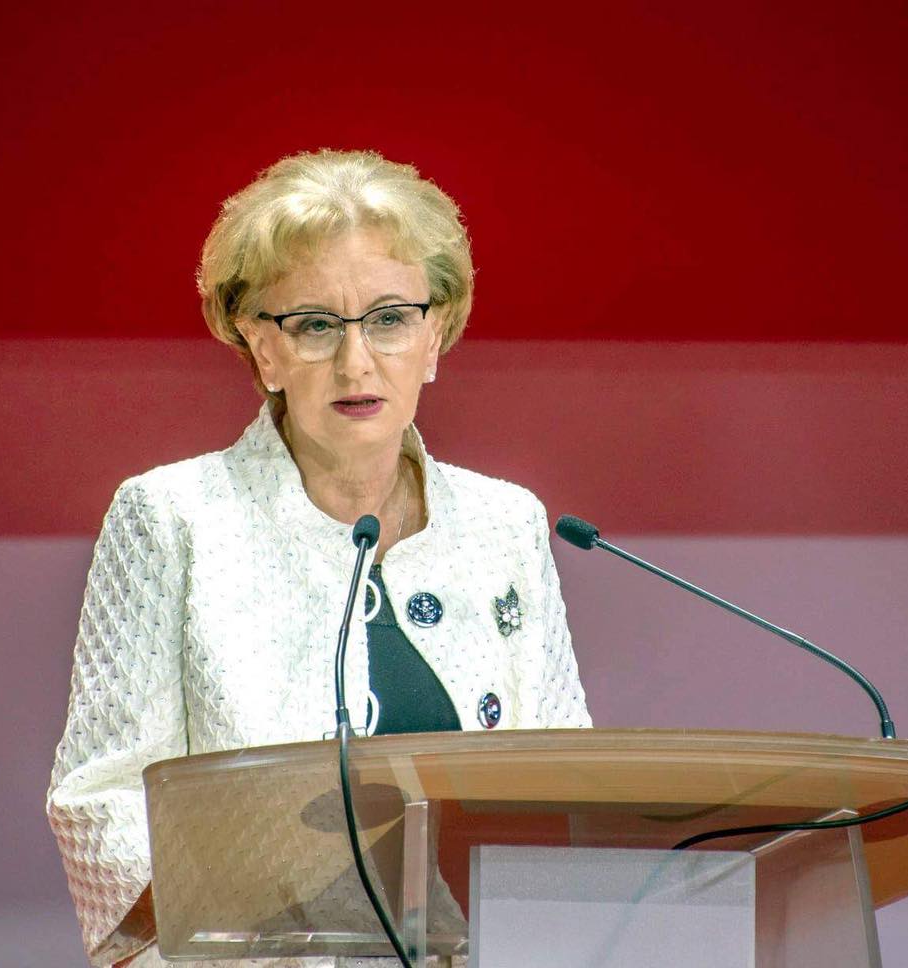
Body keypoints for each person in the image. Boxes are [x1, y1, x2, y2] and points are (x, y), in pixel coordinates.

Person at [45, 149, 592, 968]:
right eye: (314, 326)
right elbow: (103, 802)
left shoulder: (504, 522)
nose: (355, 362)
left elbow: (570, 777)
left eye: (389, 318)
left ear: (435, 334)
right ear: (261, 348)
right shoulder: (175, 518)